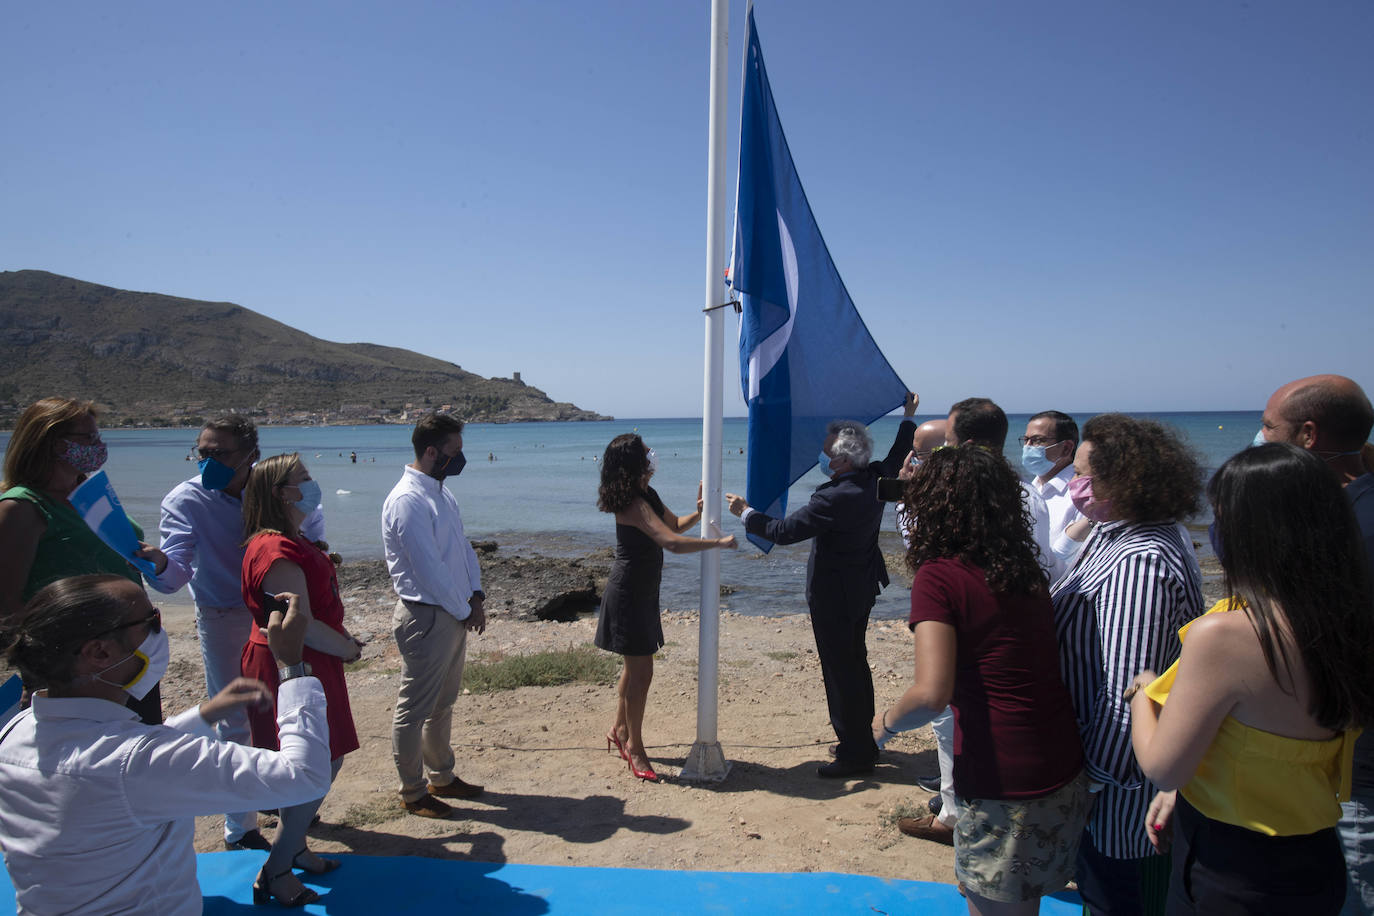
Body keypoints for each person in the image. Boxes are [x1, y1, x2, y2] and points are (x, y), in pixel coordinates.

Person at [1128, 443, 1374, 914]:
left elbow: (1163, 766)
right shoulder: (1347, 617)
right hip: (1315, 854)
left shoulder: (1227, 632)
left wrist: (1142, 691)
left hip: (1233, 866)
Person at [0, 574, 332, 914]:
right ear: (100, 652)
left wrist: (205, 714)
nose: (160, 630)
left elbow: (131, 755)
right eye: (151, 621)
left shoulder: (15, 732)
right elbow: (304, 776)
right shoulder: (134, 765)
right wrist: (292, 667)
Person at [878, 446, 1090, 913]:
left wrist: (885, 725)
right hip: (1060, 765)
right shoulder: (1022, 568)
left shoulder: (940, 576)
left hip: (1002, 779)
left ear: (933, 504)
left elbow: (931, 693)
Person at [1050, 414, 1204, 916]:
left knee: (1119, 896)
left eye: (1085, 475)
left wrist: (1092, 781)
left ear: (1127, 480)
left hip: (1121, 795)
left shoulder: (1141, 559)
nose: (1074, 485)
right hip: (1105, 777)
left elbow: (1130, 690)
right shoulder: (1115, 533)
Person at [150, 413, 325, 850]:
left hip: (277, 612)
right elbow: (174, 578)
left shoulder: (277, 492)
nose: (207, 461)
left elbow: (311, 539)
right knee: (234, 718)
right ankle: (240, 828)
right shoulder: (185, 500)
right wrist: (154, 564)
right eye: (202, 453)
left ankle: (289, 800)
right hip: (224, 614)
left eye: (219, 454)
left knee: (291, 704)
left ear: (251, 456)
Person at [894, 398, 1062, 847]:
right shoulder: (1027, 490)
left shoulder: (958, 505)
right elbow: (1046, 560)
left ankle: (956, 815)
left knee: (956, 722)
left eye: (945, 445)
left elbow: (926, 549)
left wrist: (884, 726)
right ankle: (960, 809)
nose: (939, 456)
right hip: (1020, 615)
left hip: (968, 616)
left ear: (963, 444)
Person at [1257, 374, 1374, 914]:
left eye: (1267, 427)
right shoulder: (1344, 507)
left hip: (1356, 772)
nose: (1260, 439)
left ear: (1307, 435)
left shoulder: (1353, 529)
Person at [726, 419, 892, 778]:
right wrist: (908, 417)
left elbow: (782, 532)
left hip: (834, 596)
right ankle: (861, 742)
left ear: (843, 462)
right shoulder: (876, 478)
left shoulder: (834, 498)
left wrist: (746, 512)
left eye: (826, 450)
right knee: (855, 666)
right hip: (861, 588)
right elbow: (895, 456)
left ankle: (855, 755)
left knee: (841, 672)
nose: (821, 454)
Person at [240, 453, 361, 906]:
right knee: (312, 764)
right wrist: (347, 648)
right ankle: (275, 869)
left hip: (313, 659)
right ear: (279, 493)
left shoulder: (292, 538)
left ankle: (296, 846)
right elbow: (299, 621)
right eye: (303, 479)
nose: (312, 485)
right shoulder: (274, 549)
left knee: (321, 758)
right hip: (294, 661)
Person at [0, 397, 166, 724]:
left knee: (139, 748)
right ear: (50, 442)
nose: (98, 446)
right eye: (88, 439)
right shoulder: (21, 508)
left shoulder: (87, 494)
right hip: (83, 667)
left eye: (98, 437)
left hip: (130, 652)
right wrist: (51, 670)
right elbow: (7, 604)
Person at [597, 433, 735, 782]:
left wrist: (698, 513)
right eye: (646, 454)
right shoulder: (632, 502)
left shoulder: (646, 495)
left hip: (642, 591)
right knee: (642, 672)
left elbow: (673, 525)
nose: (652, 457)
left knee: (634, 667)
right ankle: (636, 748)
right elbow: (670, 543)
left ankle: (619, 729)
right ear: (634, 464)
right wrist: (717, 543)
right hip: (628, 592)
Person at [381, 413, 489, 818]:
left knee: (443, 702)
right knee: (414, 708)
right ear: (431, 451)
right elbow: (429, 570)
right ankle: (412, 791)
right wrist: (464, 609)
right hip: (426, 616)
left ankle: (441, 775)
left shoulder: (441, 493)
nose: (459, 459)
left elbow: (462, 549)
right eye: (453, 452)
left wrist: (475, 595)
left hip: (453, 611)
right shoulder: (408, 500)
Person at [1020, 410, 1089, 571]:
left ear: (1066, 448)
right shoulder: (1028, 488)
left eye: (1037, 441)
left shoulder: (1080, 495)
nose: (1027, 447)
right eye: (1025, 440)